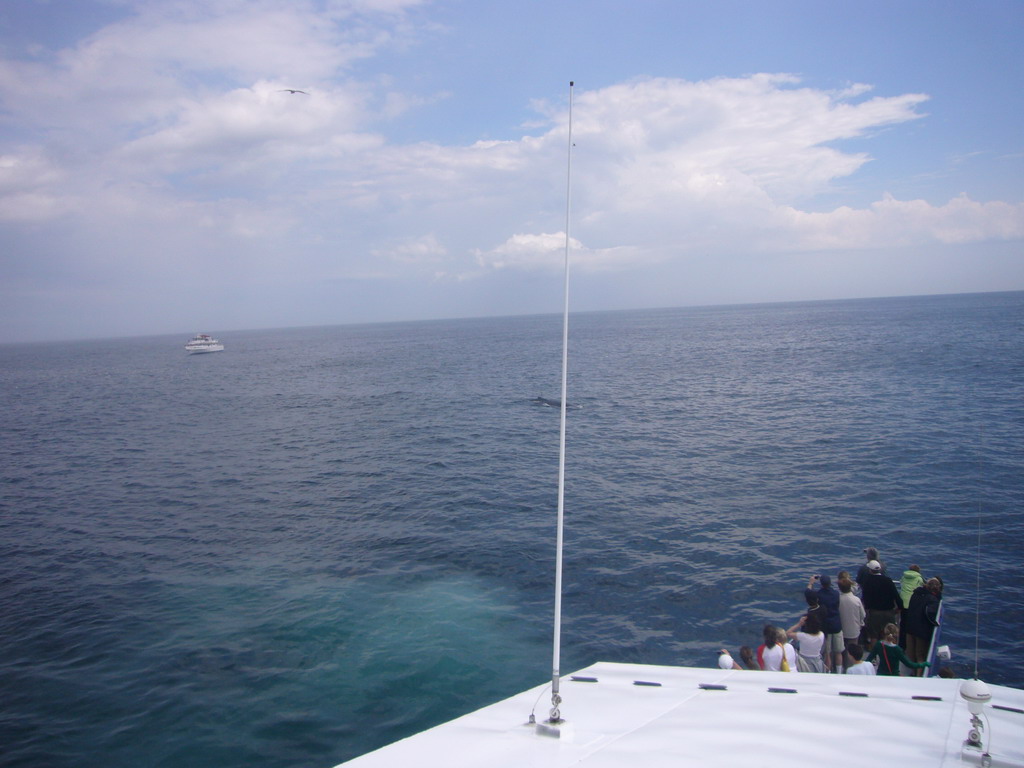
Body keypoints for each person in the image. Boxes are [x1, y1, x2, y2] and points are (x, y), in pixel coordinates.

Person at [905, 577, 943, 675]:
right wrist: (934, 623)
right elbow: (929, 614)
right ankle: (919, 676)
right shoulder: (932, 599)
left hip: (910, 627)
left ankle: (913, 672)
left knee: (911, 653)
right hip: (921, 630)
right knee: (920, 655)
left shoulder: (916, 594)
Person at [805, 574, 843, 672]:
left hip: (826, 627)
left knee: (827, 653)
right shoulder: (836, 593)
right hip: (836, 625)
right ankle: (839, 672)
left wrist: (811, 583)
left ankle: (828, 672)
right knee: (838, 652)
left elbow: (809, 593)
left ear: (821, 584)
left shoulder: (819, 595)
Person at [859, 559, 901, 647]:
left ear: (870, 570)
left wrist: (867, 610)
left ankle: (874, 658)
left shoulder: (867, 582)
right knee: (890, 634)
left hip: (874, 613)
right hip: (889, 612)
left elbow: (865, 599)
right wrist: (899, 608)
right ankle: (891, 653)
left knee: (873, 635)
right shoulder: (888, 580)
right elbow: (896, 596)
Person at [865, 623, 930, 676]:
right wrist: (923, 664)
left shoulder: (878, 645)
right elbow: (909, 664)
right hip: (893, 676)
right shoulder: (897, 649)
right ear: (895, 635)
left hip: (881, 675)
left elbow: (868, 660)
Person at [838, 577, 866, 670]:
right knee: (853, 652)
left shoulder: (838, 600)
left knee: (843, 651)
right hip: (854, 631)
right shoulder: (856, 600)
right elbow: (863, 614)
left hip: (841, 630)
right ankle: (851, 670)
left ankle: (843, 668)